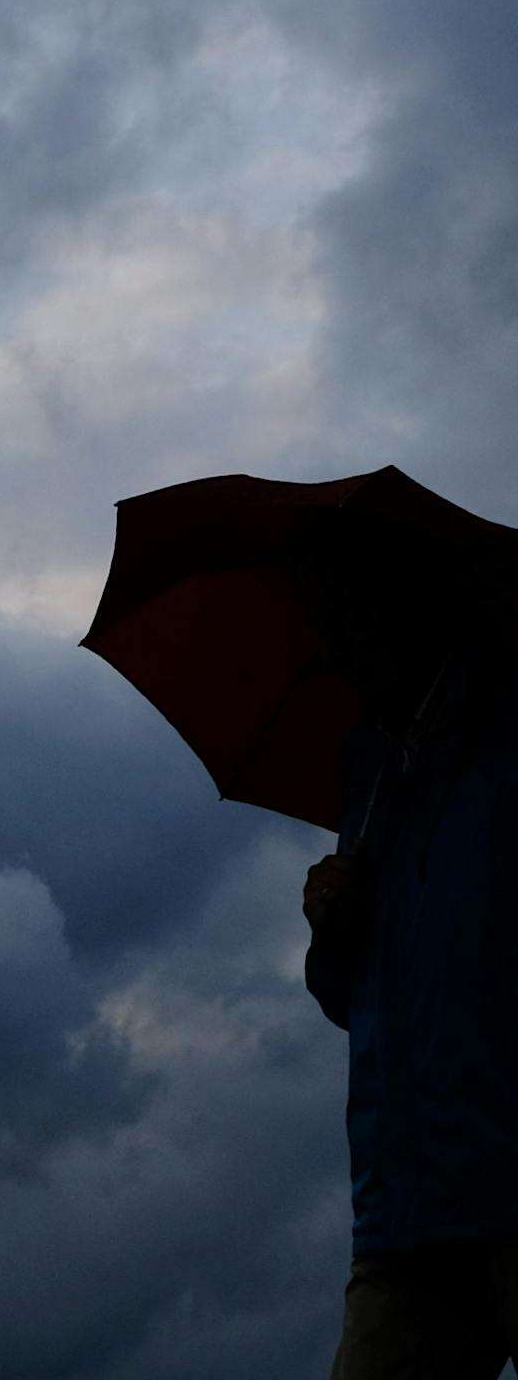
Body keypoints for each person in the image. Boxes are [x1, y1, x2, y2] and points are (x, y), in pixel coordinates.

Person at [304, 567, 518, 1378]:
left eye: (344, 617)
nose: (330, 649)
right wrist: (332, 930)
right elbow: (351, 999)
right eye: (319, 624)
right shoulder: (372, 773)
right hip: (403, 1216)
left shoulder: (506, 741)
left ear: (412, 613)